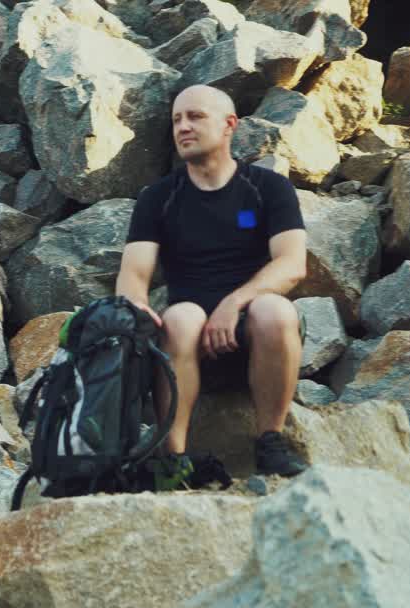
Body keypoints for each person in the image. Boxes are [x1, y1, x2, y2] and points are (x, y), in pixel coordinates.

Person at [116, 84, 310, 488]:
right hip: (185, 346)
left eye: (195, 117)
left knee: (275, 310)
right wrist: (137, 307)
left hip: (256, 339)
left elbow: (293, 264)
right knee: (182, 318)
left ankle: (270, 442)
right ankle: (175, 459)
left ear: (229, 126)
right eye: (177, 120)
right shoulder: (158, 198)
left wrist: (234, 303)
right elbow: (134, 275)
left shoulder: (268, 189)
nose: (183, 127)